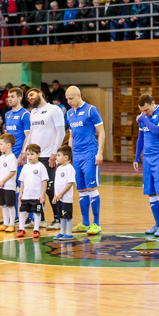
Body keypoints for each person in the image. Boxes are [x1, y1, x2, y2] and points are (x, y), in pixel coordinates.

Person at [65, 86, 105, 234]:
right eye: (67, 99)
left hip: (90, 153)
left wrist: (99, 153)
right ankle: (85, 222)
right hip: (77, 155)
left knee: (91, 187)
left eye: (71, 98)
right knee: (81, 189)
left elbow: (101, 132)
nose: (69, 101)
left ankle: (96, 223)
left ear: (79, 95)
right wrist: (69, 155)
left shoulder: (91, 110)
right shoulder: (69, 113)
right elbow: (71, 136)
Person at [26, 87, 66, 229]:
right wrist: (26, 152)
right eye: (28, 97)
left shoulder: (54, 110)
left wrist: (54, 153)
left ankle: (57, 219)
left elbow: (61, 132)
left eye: (32, 95)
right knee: (37, 189)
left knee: (50, 189)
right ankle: (40, 219)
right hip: (36, 157)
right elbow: (31, 133)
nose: (30, 98)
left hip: (49, 156)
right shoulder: (33, 113)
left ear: (40, 93)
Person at [133, 93, 159, 237]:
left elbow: (158, 132)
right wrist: (137, 157)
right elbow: (141, 138)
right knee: (151, 192)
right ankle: (157, 223)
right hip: (147, 158)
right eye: (142, 111)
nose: (145, 113)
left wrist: (144, 119)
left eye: (147, 110)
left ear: (153, 103)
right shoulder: (144, 117)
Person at [17, 144, 49, 239]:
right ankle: (21, 228)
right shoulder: (25, 167)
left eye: (32, 154)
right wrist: (21, 192)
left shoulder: (41, 167)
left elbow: (44, 181)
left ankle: (36, 230)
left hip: (36, 195)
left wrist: (42, 194)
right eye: (28, 154)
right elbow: (22, 181)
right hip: (26, 195)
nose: (29, 156)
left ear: (38, 154)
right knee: (22, 211)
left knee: (37, 212)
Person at [52, 145, 76, 241]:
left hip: (66, 198)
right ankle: (62, 232)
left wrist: (61, 193)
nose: (56, 157)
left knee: (67, 216)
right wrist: (55, 195)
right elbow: (56, 184)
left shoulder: (70, 168)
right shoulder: (58, 169)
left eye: (58, 155)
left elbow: (70, 183)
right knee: (61, 216)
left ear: (66, 157)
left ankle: (69, 233)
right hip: (59, 198)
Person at [0, 134, 18, 232]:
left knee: (10, 205)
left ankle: (11, 224)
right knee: (3, 205)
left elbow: (12, 172)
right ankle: (5, 223)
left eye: (1, 144)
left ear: (8, 145)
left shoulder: (12, 157)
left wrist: (3, 180)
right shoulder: (1, 157)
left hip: (9, 186)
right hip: (2, 186)